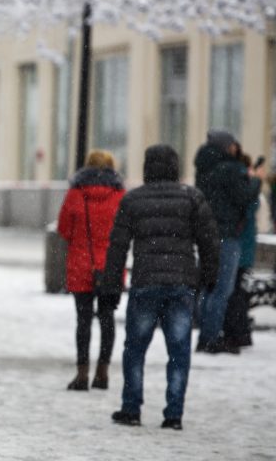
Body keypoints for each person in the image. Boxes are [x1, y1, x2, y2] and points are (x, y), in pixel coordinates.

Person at [102, 145, 219, 430]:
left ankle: (131, 407)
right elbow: (209, 241)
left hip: (146, 281)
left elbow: (117, 247)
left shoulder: (133, 200)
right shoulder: (192, 198)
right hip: (181, 284)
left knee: (135, 348)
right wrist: (208, 277)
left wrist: (110, 285)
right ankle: (174, 413)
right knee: (179, 351)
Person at [55, 150, 125, 391]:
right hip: (111, 267)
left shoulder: (75, 194)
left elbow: (63, 228)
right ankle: (102, 373)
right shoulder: (119, 195)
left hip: (81, 263)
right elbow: (125, 231)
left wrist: (81, 241)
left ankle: (82, 374)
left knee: (83, 320)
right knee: (107, 319)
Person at [193, 129, 262, 353]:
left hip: (206, 233)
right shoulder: (228, 169)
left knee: (209, 286)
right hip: (226, 234)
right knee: (223, 289)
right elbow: (243, 196)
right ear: (226, 146)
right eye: (233, 144)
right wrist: (256, 182)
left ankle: (206, 332)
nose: (236, 148)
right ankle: (210, 337)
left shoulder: (204, 166)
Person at [222, 150, 261, 348]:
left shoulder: (245, 191)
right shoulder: (248, 189)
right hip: (244, 246)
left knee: (235, 291)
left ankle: (238, 332)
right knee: (237, 291)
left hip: (240, 246)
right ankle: (240, 331)